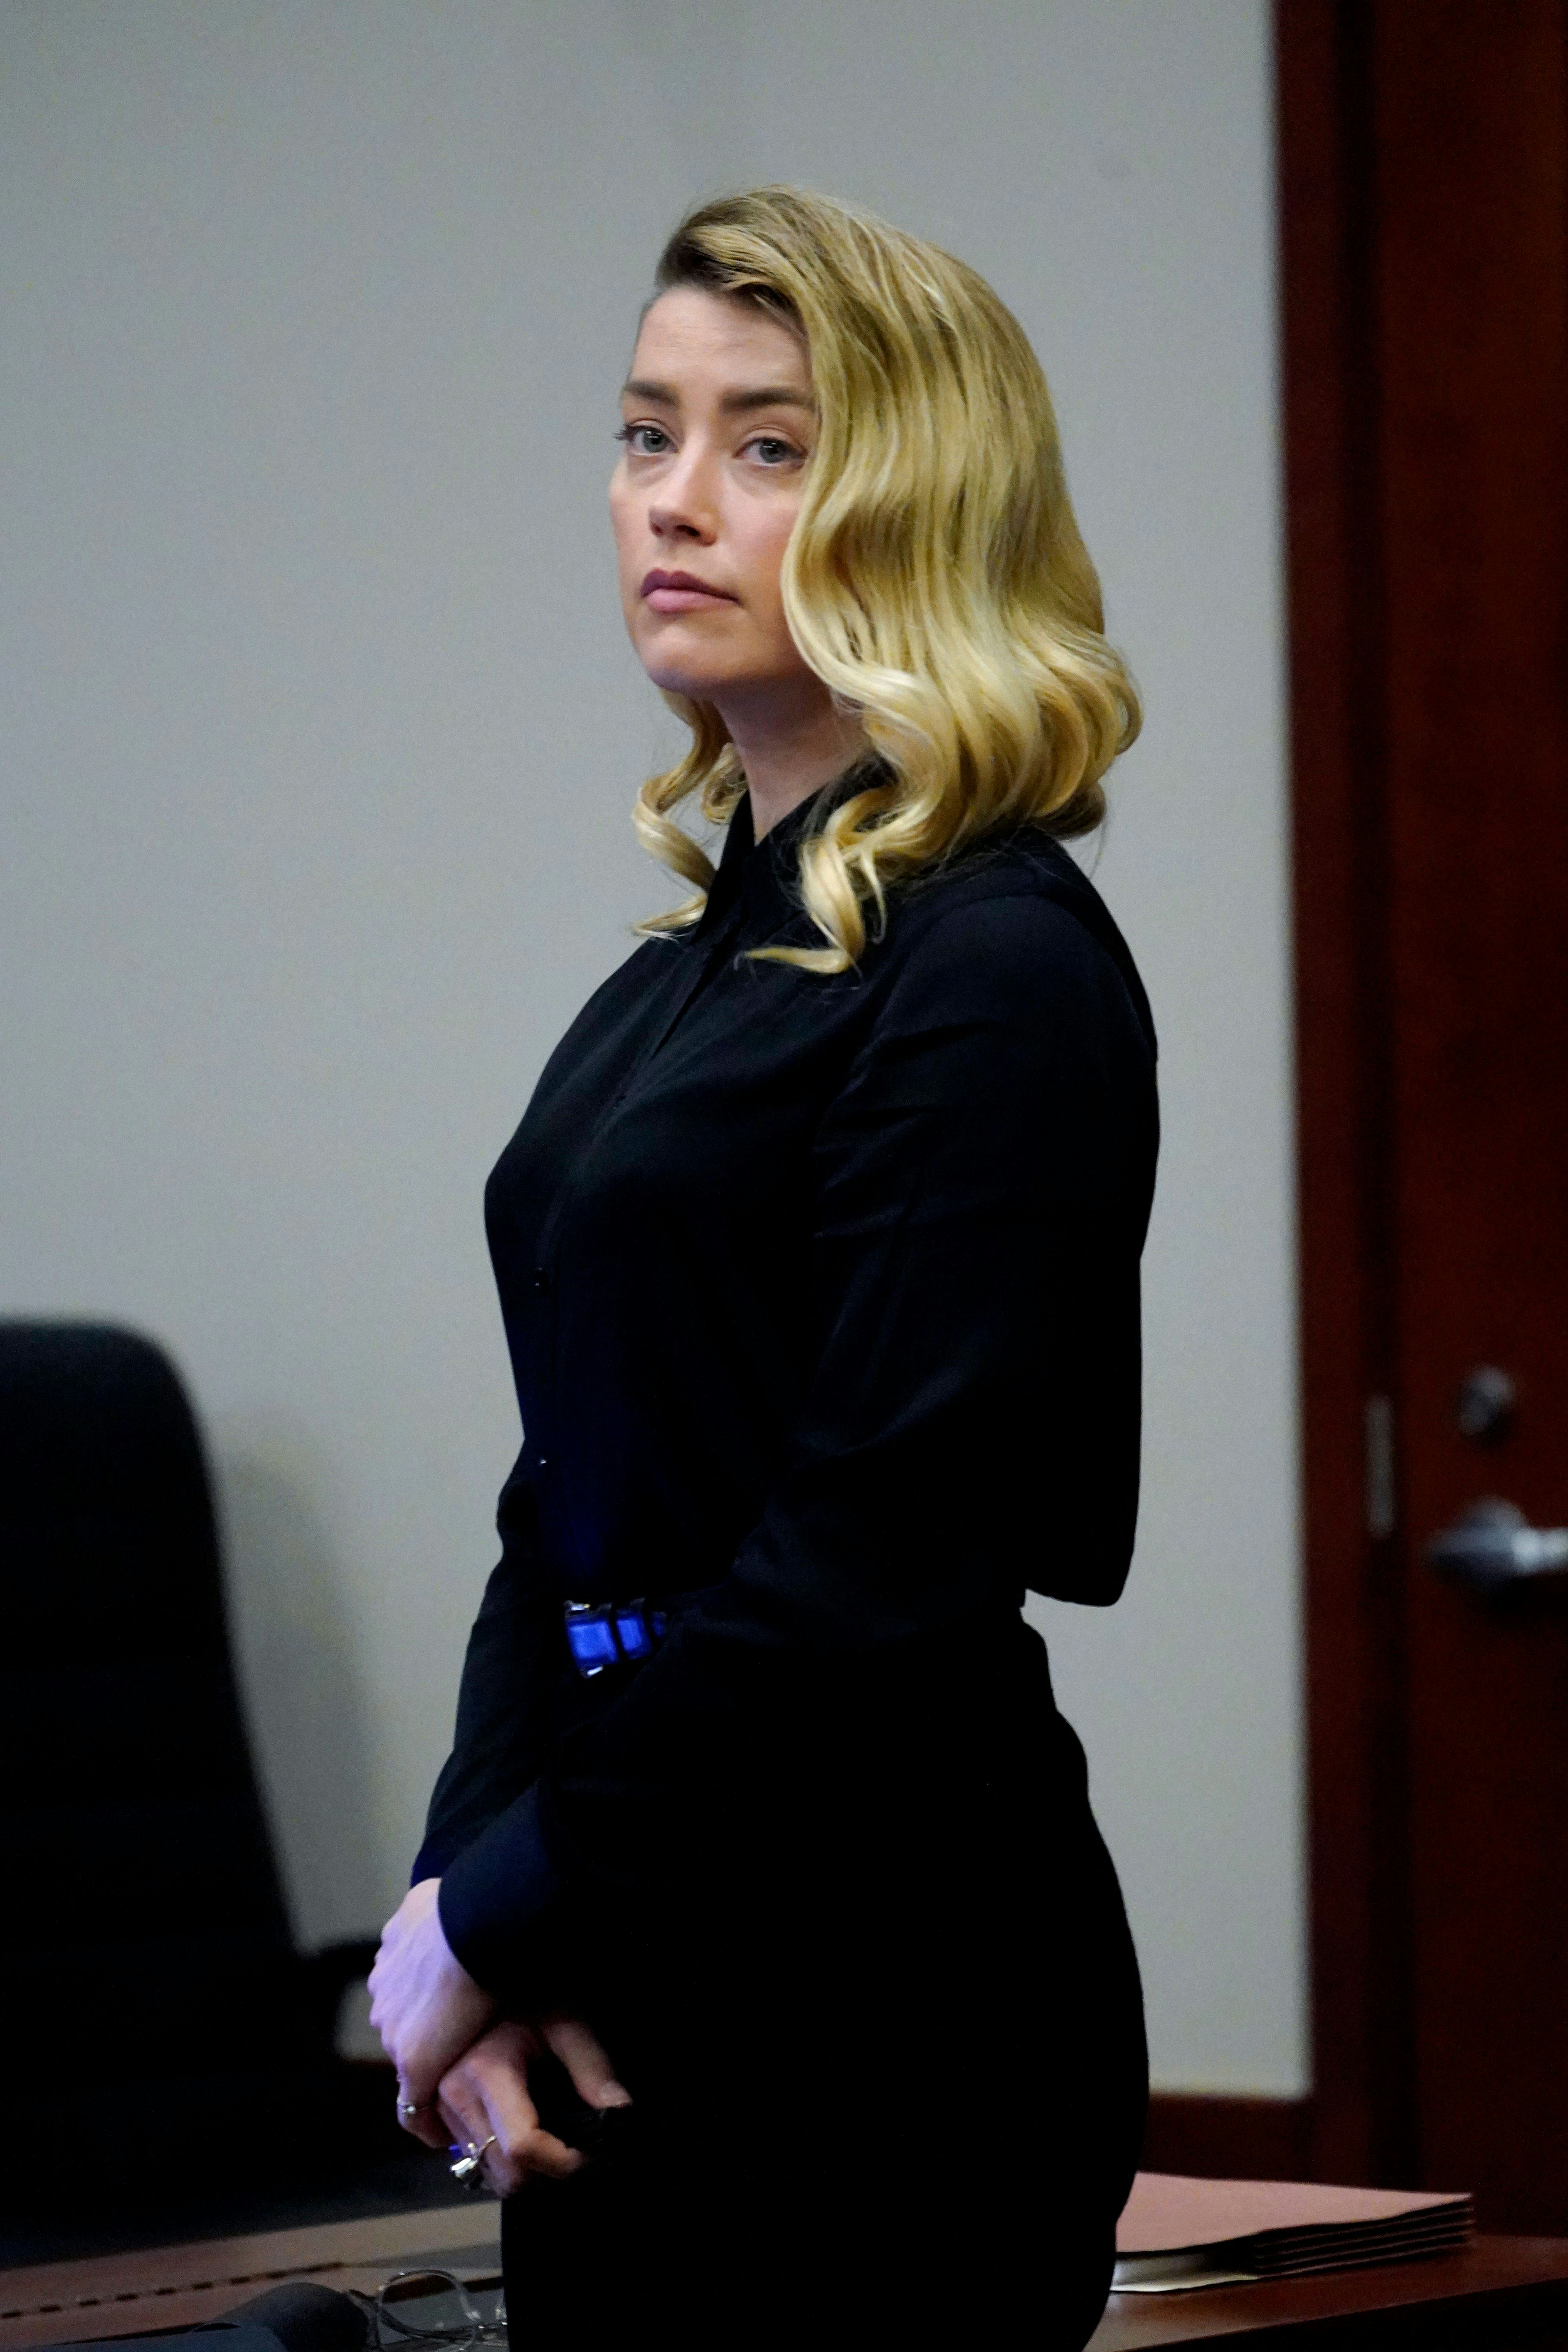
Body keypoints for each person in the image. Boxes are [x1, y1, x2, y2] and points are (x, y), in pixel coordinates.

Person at [368, 185, 1158, 2347]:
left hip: (884, 1995)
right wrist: (472, 1902)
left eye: (769, 444)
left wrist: (516, 1899)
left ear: (923, 496)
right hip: (637, 1939)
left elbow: (877, 1557)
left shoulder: (995, 966)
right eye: (648, 433)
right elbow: (564, 1506)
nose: (676, 498)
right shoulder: (676, 984)